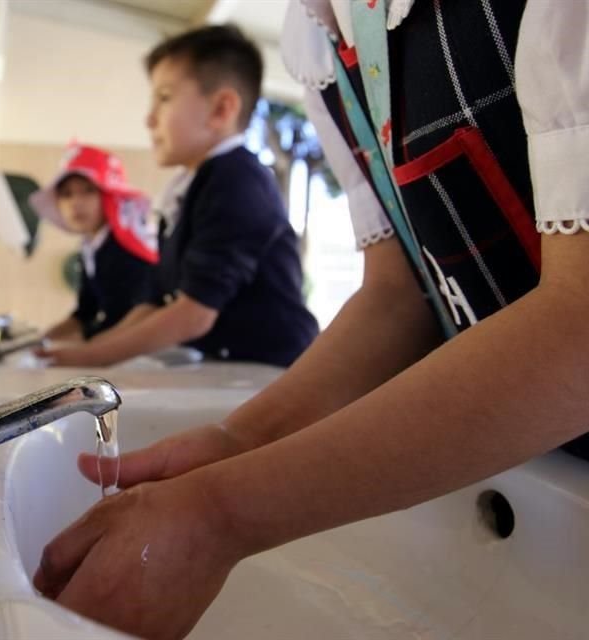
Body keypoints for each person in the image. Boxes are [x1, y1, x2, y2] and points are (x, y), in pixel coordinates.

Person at [32, 2, 589, 639]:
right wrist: (237, 442)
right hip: (531, 468)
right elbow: (399, 293)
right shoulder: (324, 35)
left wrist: (224, 509)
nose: (147, 116)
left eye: (161, 97)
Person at [38, 25, 318, 368]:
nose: (149, 118)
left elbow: (194, 314)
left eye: (165, 97)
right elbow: (153, 304)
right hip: (231, 367)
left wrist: (89, 357)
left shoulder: (237, 181)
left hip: (275, 370)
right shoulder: (191, 188)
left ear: (221, 110)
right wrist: (91, 352)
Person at [29, 143, 157, 343]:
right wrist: (37, 340)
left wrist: (69, 348)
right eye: (66, 194)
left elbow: (123, 321)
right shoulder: (90, 247)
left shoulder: (126, 249)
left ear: (109, 196)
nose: (75, 203)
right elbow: (85, 312)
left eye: (88, 191)